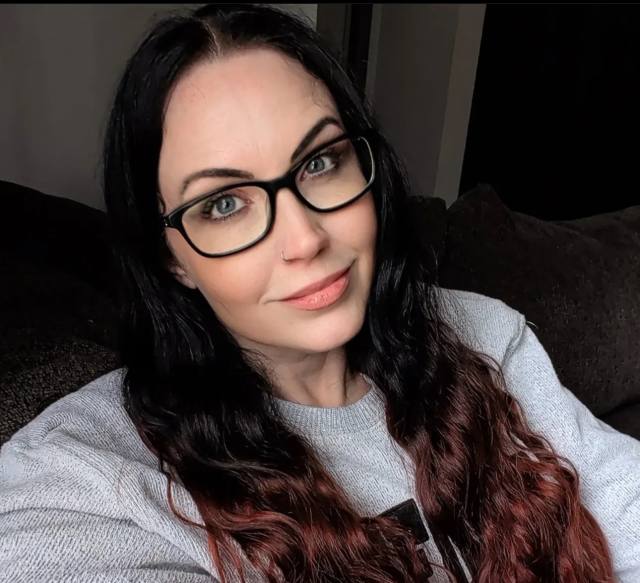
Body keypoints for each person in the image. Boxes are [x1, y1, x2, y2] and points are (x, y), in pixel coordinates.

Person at [0, 4, 638, 582]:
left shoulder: (488, 340)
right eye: (224, 204)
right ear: (171, 258)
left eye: (319, 162)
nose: (305, 239)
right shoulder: (84, 481)